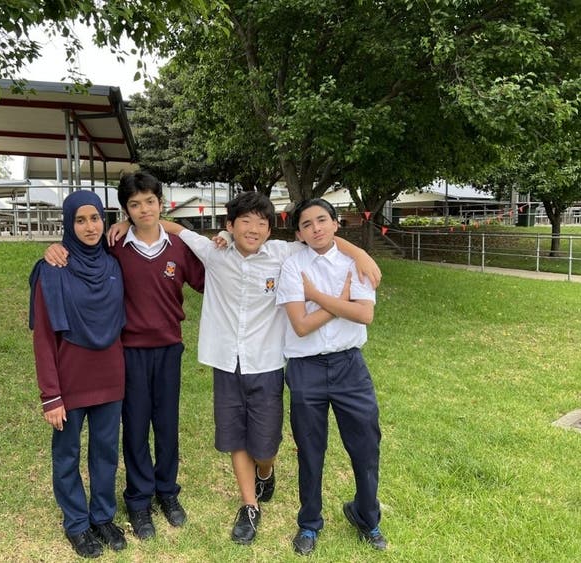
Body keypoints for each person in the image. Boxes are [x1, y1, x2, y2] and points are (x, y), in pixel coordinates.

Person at [136, 191, 381, 546]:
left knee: (265, 445)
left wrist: (358, 251)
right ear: (229, 226)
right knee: (235, 435)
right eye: (244, 222)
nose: (253, 229)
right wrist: (130, 222)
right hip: (225, 359)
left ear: (271, 230)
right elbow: (171, 227)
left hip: (265, 361)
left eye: (261, 223)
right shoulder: (213, 251)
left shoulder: (284, 253)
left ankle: (266, 471)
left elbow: (320, 236)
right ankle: (249, 505)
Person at [43, 172, 205, 541]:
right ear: (124, 211)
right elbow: (77, 246)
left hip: (168, 349)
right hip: (128, 352)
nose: (144, 209)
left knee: (166, 426)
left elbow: (208, 279)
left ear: (161, 203)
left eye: (150, 201)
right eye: (134, 204)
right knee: (134, 428)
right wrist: (51, 248)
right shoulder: (114, 246)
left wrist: (224, 241)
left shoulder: (178, 247)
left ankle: (167, 491)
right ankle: (138, 499)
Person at [275, 198, 386, 555]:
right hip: (306, 368)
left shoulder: (356, 263)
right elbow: (302, 325)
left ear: (336, 224)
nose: (316, 228)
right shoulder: (292, 266)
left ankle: (367, 517)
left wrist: (315, 295)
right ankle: (309, 524)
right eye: (307, 224)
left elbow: (364, 315)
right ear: (299, 233)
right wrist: (339, 303)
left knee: (366, 446)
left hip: (350, 366)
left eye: (322, 220)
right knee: (310, 449)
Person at [29, 190, 128, 558]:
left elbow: (144, 230)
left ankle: (102, 516)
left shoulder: (114, 264)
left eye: (96, 218)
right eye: (80, 220)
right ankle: (76, 523)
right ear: (68, 224)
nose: (90, 227)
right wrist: (51, 395)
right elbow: (43, 338)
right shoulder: (52, 270)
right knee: (67, 454)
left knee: (105, 452)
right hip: (69, 382)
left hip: (111, 378)